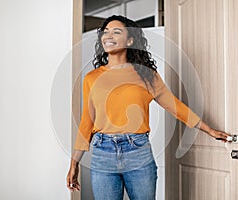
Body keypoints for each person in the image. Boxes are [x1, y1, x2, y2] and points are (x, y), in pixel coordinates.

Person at [66, 15, 229, 200]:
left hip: (138, 152)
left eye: (116, 31)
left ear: (130, 40)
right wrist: (74, 163)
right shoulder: (92, 78)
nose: (108, 36)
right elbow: (87, 121)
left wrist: (209, 130)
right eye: (105, 32)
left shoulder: (146, 75)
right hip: (102, 153)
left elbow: (176, 106)